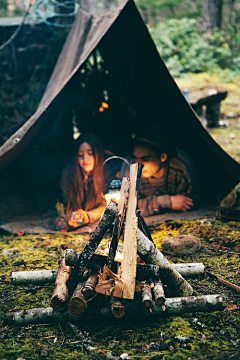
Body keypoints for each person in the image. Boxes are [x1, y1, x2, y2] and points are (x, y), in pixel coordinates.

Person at [122, 128, 201, 217]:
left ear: (163, 157)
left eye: (145, 159)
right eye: (136, 159)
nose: (138, 164)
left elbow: (189, 203)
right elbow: (126, 207)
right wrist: (165, 202)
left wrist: (146, 204)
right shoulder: (131, 167)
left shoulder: (180, 167)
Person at [55, 133, 107, 231]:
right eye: (80, 155)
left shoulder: (106, 172)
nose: (85, 159)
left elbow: (108, 205)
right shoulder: (68, 174)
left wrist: (88, 216)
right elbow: (65, 202)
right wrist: (65, 218)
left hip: (96, 220)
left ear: (97, 154)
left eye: (90, 154)